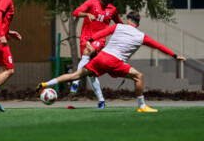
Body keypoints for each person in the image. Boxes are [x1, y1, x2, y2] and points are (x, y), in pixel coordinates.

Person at [37, 11, 186, 112]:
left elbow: (101, 33)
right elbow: (158, 46)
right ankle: (142, 106)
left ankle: (45, 84)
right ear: (137, 24)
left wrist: (90, 40)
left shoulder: (118, 26)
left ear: (128, 20)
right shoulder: (141, 36)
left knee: (74, 76)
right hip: (114, 61)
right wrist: (174, 55)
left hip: (101, 57)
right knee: (138, 76)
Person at [70, 0, 123, 109]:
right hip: (85, 38)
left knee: (87, 53)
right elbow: (76, 12)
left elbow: (119, 24)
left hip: (99, 40)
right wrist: (87, 14)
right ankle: (101, 100)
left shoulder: (112, 10)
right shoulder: (91, 3)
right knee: (91, 74)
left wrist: (128, 30)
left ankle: (75, 81)